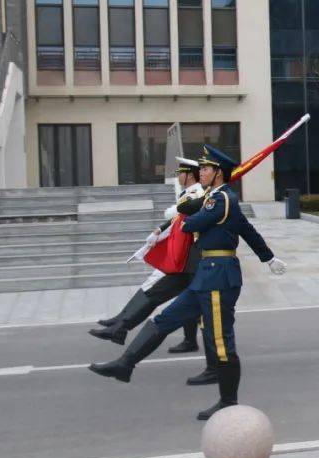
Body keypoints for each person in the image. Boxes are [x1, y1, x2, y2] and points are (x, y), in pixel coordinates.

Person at [88, 145, 287, 420]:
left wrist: (186, 210)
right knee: (164, 320)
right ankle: (125, 364)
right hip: (207, 273)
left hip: (219, 277)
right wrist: (269, 258)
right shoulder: (217, 198)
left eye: (205, 169)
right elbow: (247, 230)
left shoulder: (221, 200)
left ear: (218, 173)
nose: (201, 172)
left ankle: (228, 402)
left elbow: (190, 225)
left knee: (221, 343)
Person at [90, 158, 206, 362]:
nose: (178, 175)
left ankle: (211, 358)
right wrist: (161, 229)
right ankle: (121, 328)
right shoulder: (192, 194)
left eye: (181, 172)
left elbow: (182, 214)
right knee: (156, 294)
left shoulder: (198, 194)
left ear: (190, 174)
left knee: (186, 306)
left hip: (194, 261)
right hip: (186, 262)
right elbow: (177, 218)